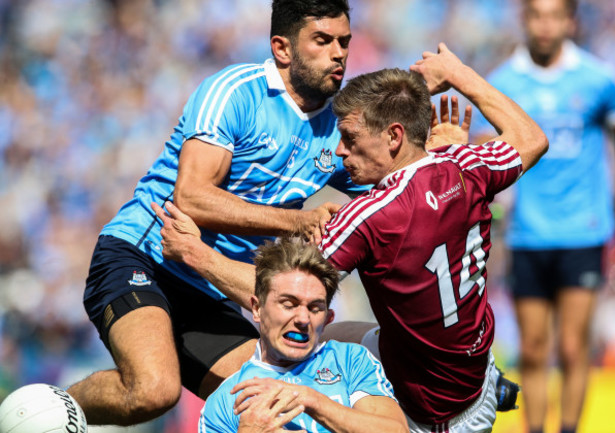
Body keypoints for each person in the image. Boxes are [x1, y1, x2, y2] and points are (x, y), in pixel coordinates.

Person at [153, 43, 548, 432]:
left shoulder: (370, 216)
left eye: (351, 138)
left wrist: (196, 254)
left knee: (299, 345)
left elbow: (283, 292)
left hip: (431, 409)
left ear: (394, 137)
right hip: (472, 362)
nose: (340, 151)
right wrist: (458, 74)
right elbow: (531, 138)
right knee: (338, 336)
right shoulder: (465, 163)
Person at [66, 0, 371, 426]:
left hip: (210, 286)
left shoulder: (338, 130)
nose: (339, 53)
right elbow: (191, 198)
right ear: (283, 48)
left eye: (344, 41)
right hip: (146, 256)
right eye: (322, 40)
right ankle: (52, 407)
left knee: (277, 404)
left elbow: (395, 192)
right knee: (154, 392)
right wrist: (296, 221)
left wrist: (434, 153)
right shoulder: (235, 91)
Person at [473, 1, 615, 432]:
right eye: (536, 15)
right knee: (531, 348)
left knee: (571, 346)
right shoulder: (504, 82)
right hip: (529, 233)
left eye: (554, 15)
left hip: (583, 230)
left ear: (570, 21)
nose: (545, 25)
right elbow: (481, 148)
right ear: (524, 20)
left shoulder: (599, 78)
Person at [198, 237, 408, 433]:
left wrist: (310, 400)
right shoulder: (225, 400)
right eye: (289, 304)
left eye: (315, 308)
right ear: (257, 308)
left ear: (328, 319)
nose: (303, 319)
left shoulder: (350, 360)